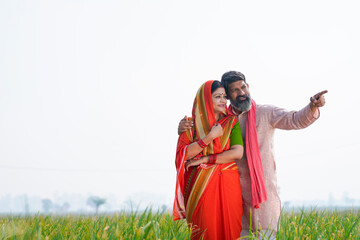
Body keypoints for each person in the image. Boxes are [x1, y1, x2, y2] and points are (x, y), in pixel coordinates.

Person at [178, 71, 327, 239]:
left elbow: (295, 119)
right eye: (235, 90)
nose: (241, 93)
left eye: (243, 87)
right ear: (227, 96)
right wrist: (183, 128)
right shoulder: (222, 121)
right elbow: (198, 132)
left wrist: (313, 107)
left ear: (248, 87)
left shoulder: (265, 113)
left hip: (263, 198)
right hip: (233, 198)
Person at [173, 80, 245, 240]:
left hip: (228, 186)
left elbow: (237, 153)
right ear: (205, 99)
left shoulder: (231, 122)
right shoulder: (189, 124)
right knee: (205, 231)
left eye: (224, 97)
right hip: (200, 188)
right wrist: (209, 137)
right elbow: (183, 155)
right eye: (218, 96)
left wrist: (205, 158)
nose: (223, 101)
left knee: (231, 231)